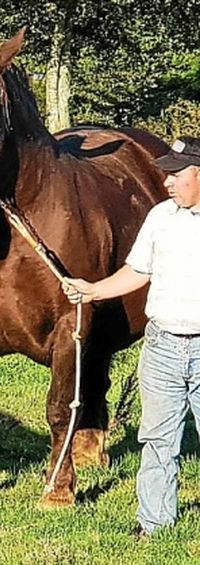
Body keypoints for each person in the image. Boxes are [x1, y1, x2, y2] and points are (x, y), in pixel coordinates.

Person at [62, 136, 200, 536]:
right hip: (162, 348)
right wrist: (92, 289)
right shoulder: (159, 218)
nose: (167, 182)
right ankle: (154, 522)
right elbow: (137, 271)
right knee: (157, 438)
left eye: (176, 174)